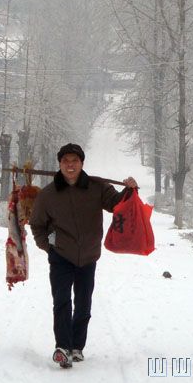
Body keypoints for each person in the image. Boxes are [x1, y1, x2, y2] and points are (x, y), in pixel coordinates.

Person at [30, 143, 138, 369]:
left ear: (81, 164)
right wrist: (48, 247)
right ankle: (62, 347)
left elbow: (117, 204)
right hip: (60, 256)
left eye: (74, 161)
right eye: (65, 161)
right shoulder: (48, 195)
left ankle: (77, 346)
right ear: (59, 164)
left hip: (88, 255)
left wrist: (130, 190)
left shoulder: (97, 187)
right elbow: (37, 225)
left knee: (83, 304)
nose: (70, 165)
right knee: (61, 302)